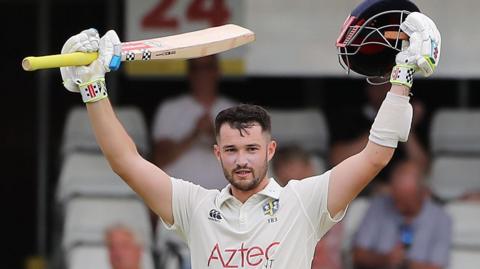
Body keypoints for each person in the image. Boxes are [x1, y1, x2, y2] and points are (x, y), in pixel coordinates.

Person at [58, 10, 440, 269]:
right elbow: (126, 162)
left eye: (252, 149)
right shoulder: (194, 207)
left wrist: (402, 77)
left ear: (269, 150)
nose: (242, 160)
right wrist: (93, 88)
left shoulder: (304, 203)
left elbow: (375, 156)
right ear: (217, 154)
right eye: (232, 150)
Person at [151, 55, 237, 190]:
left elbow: (242, 159)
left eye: (207, 68)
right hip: (177, 200)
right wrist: (194, 134)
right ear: (189, 73)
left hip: (226, 200)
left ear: (217, 71)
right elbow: (159, 158)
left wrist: (213, 136)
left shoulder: (235, 111)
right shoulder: (169, 108)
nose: (201, 74)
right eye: (196, 69)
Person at [352, 160, 452, 269]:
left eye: (406, 202)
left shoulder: (441, 219)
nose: (399, 207)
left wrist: (405, 264)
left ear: (423, 193)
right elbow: (358, 255)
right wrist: (384, 260)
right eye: (396, 200)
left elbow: (437, 266)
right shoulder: (378, 206)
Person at [272, 145, 343, 269]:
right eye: (288, 183)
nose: (297, 189)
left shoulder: (330, 197)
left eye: (301, 180)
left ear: (310, 168)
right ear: (278, 178)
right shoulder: (275, 211)